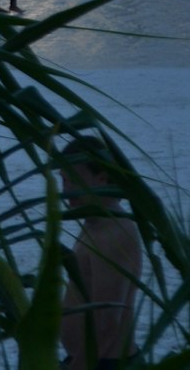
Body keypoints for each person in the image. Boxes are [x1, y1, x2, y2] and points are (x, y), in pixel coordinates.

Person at [58, 136, 142, 370]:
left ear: (102, 177)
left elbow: (107, 320)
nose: (66, 191)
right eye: (63, 181)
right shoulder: (95, 224)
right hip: (90, 360)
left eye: (74, 180)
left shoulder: (114, 233)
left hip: (105, 363)